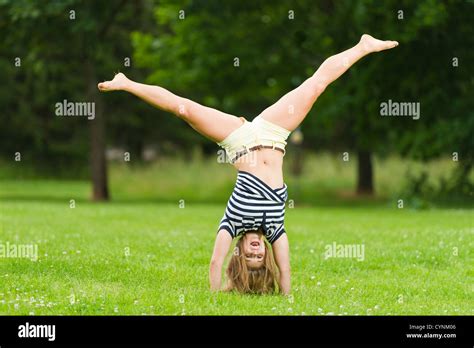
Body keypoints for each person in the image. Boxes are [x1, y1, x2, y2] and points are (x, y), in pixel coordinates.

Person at [98, 34, 398, 295]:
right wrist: (286, 296)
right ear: (264, 253)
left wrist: (214, 296)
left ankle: (127, 83)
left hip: (239, 141)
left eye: (248, 256)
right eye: (259, 257)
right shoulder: (275, 229)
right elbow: (286, 270)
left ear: (238, 252)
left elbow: (216, 262)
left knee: (184, 108)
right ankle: (363, 46)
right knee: (316, 85)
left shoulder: (232, 223)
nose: (255, 252)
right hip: (273, 133)